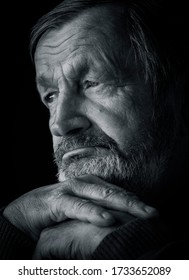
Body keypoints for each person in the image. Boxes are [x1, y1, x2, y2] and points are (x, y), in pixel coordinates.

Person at [0, 0, 189, 260]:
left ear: (176, 94)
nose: (60, 124)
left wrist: (134, 251)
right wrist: (10, 237)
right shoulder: (29, 233)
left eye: (92, 82)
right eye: (51, 96)